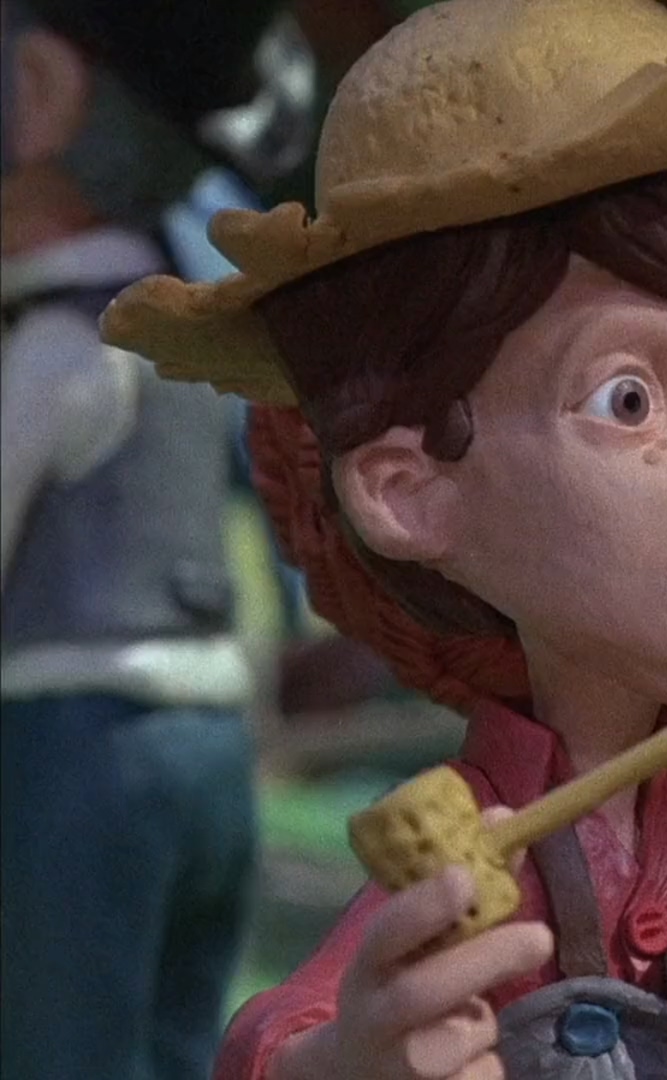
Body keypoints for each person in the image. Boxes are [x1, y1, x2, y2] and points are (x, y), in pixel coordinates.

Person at [102, 1, 667, 1078]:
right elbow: (292, 1036)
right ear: (409, 491)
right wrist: (343, 1062)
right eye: (629, 400)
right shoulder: (486, 841)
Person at [0, 2, 315, 1079]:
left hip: (80, 744)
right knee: (179, 1040)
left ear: (38, 93)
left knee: (62, 1046)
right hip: (213, 742)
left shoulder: (58, 348)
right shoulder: (190, 349)